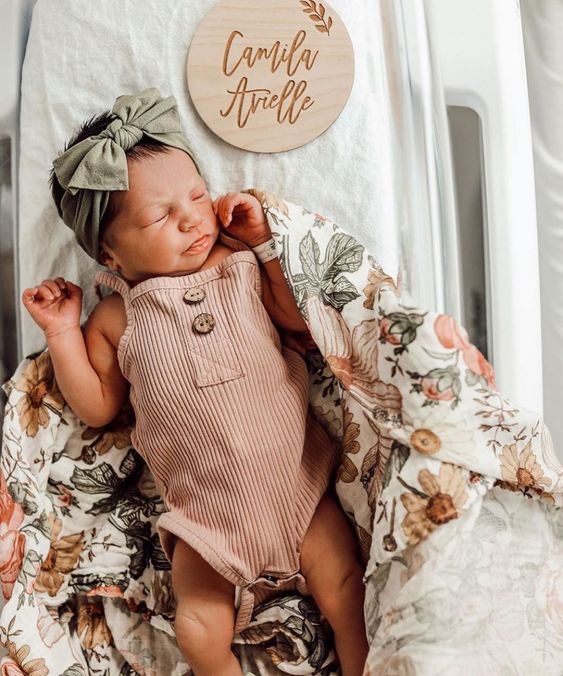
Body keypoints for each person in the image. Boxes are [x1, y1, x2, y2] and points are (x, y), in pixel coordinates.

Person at [22, 88, 369, 676]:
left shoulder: (238, 264)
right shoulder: (116, 317)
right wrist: (61, 333)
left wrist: (264, 245)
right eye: (160, 216)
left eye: (198, 195)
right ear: (110, 252)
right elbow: (98, 407)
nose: (191, 218)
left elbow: (295, 321)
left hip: (300, 487)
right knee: (198, 631)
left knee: (346, 591)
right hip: (206, 524)